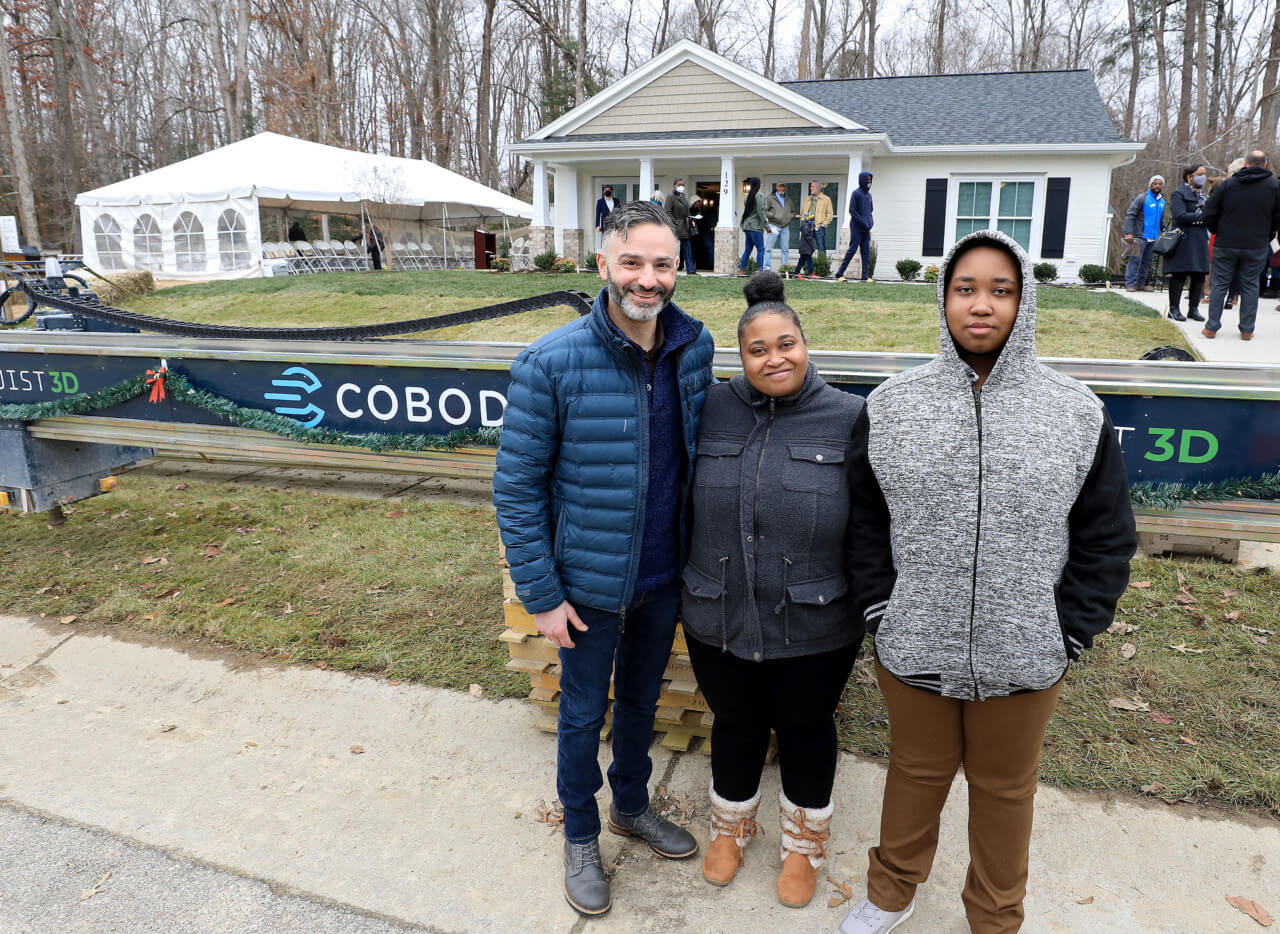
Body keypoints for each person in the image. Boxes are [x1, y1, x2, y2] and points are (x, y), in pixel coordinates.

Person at [838, 229, 1136, 934]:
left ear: (1024, 302)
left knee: (1005, 792)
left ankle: (996, 917)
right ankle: (892, 891)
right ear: (943, 299)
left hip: (1027, 652)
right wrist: (883, 611)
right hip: (914, 643)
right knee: (915, 774)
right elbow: (862, 523)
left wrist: (1070, 629)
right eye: (966, 288)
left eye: (1000, 290)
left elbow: (1107, 537)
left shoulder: (1074, 413)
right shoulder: (891, 407)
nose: (982, 305)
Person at [492, 200, 715, 917]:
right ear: (603, 266)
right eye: (633, 263)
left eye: (662, 264)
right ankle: (582, 834)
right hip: (586, 587)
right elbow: (517, 489)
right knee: (583, 715)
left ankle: (630, 808)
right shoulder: (550, 363)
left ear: (677, 270)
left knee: (643, 704)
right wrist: (542, 594)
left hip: (661, 579)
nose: (647, 280)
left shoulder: (695, 347)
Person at [682, 271, 865, 908]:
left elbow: (871, 523)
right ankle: (730, 827)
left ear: (805, 344)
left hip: (816, 620)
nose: (774, 358)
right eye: (758, 350)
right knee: (734, 722)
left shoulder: (847, 416)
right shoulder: (710, 409)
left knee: (805, 727)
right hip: (717, 609)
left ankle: (803, 843)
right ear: (741, 356)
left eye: (785, 344)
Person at [1201, 150, 1280, 340]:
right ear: (1266, 164)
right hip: (1256, 244)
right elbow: (1278, 217)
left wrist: (1217, 231)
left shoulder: (1228, 185)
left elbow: (1209, 212)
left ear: (1245, 164)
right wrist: (1267, 236)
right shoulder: (1274, 187)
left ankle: (1212, 327)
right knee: (1250, 286)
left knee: (1219, 284)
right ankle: (1247, 329)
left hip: (1226, 242)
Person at [1163, 165, 1210, 322]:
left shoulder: (1203, 196)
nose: (1203, 177)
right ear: (1189, 177)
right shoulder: (1179, 194)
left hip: (1200, 238)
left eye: (1204, 174)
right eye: (1199, 174)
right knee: (1179, 274)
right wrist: (1202, 217)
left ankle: (1193, 309)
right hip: (1184, 238)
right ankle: (1174, 309)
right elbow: (1180, 215)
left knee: (1199, 275)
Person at [1122, 175, 1165, 290]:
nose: (1157, 186)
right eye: (1155, 183)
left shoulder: (1162, 202)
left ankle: (1140, 284)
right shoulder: (1142, 198)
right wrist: (1128, 232)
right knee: (1135, 260)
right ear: (1150, 185)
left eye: (1160, 184)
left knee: (1147, 262)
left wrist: (1165, 231)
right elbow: (1130, 215)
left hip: (1153, 237)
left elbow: (1161, 219)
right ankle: (1130, 284)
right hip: (1139, 235)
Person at [837, 172, 875, 282]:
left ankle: (865, 276)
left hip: (866, 228)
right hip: (856, 226)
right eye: (867, 180)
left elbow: (870, 211)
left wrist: (870, 222)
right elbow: (852, 210)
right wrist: (862, 221)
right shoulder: (856, 194)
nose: (869, 182)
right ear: (862, 180)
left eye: (870, 180)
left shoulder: (869, 196)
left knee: (866, 251)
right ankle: (840, 273)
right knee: (852, 249)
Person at [664, 178, 697, 275]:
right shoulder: (670, 197)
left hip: (685, 226)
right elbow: (667, 212)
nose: (681, 186)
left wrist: (691, 219)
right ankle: (669, 268)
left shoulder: (684, 197)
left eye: (683, 185)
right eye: (679, 184)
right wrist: (674, 223)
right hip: (676, 226)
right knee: (673, 248)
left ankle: (690, 270)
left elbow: (687, 212)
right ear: (674, 186)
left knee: (687, 248)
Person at [738, 177, 768, 276]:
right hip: (755, 227)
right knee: (761, 249)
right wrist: (767, 226)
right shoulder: (759, 195)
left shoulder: (747, 196)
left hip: (747, 226)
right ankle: (761, 271)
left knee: (748, 249)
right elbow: (761, 211)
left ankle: (741, 271)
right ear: (758, 185)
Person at [763, 182, 795, 270]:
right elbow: (764, 210)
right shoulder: (770, 198)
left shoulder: (788, 200)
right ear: (777, 187)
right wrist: (773, 215)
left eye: (783, 187)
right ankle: (767, 268)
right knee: (769, 248)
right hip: (774, 226)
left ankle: (784, 269)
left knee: (785, 249)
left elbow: (793, 212)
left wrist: (789, 217)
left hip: (785, 227)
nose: (782, 189)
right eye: (780, 187)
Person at [800, 181, 834, 259]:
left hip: (819, 227)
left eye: (813, 186)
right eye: (811, 186)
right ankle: (808, 268)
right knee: (806, 249)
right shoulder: (808, 199)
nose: (811, 188)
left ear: (818, 188)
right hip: (807, 227)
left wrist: (824, 224)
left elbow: (830, 214)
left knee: (821, 248)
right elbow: (802, 212)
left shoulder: (826, 199)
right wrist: (803, 223)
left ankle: (822, 268)